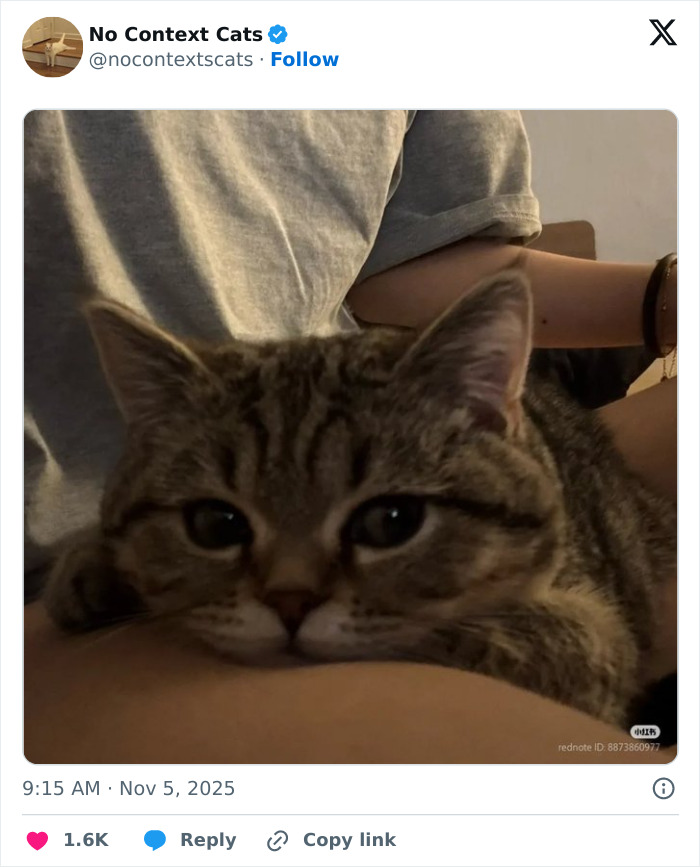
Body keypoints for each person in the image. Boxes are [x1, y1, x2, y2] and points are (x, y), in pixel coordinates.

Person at [24, 110, 676, 762]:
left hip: (394, 429)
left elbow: (430, 258)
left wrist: (667, 296)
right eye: (218, 525)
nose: (292, 593)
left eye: (390, 522)